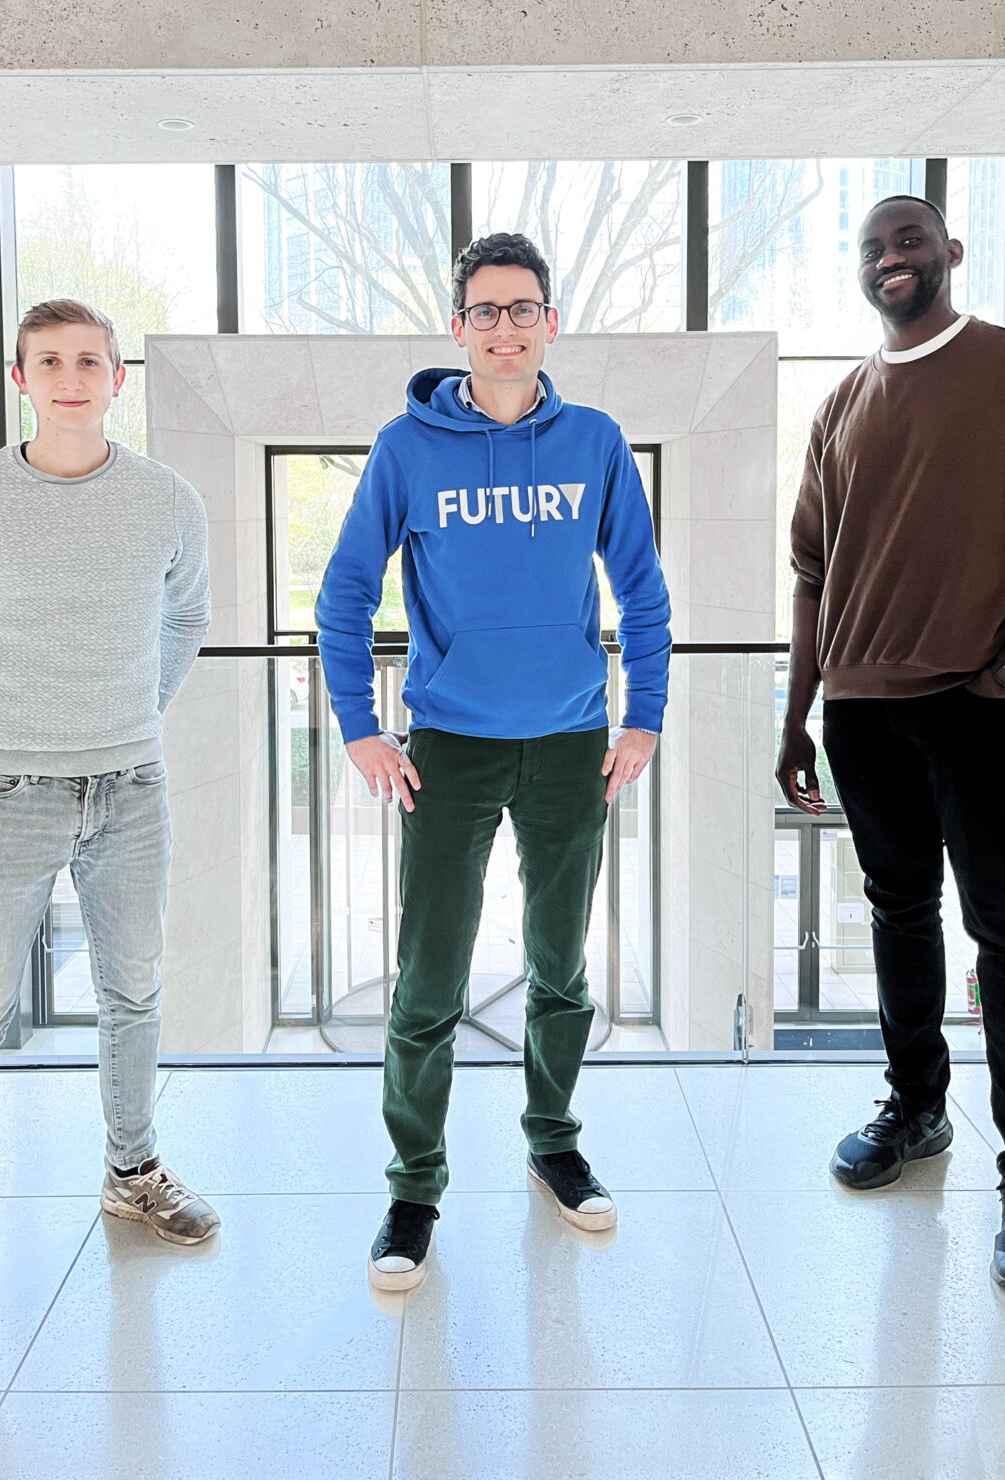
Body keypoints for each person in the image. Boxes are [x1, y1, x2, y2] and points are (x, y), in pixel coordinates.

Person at [778, 195, 1005, 1294]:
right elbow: (812, 573)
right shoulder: (842, 403)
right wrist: (797, 712)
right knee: (897, 913)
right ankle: (917, 1107)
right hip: (862, 712)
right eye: (873, 247)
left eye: (909, 239)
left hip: (983, 706)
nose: (891, 257)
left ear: (951, 252)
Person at [316, 230, 671, 1290]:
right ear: (459, 327)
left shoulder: (594, 441)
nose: (505, 327)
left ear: (550, 323)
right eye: (486, 310)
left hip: (571, 746)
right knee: (428, 978)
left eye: (523, 309)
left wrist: (643, 716)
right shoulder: (406, 448)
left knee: (562, 968)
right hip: (449, 750)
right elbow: (344, 594)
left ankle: (554, 1144)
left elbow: (643, 591)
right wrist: (359, 724)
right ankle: (414, 1187)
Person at [0, 298, 218, 1336]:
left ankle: (132, 1170)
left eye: (90, 361)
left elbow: (189, 616)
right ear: (21, 379)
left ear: (118, 379)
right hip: (5, 797)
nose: (72, 378)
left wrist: (139, 709)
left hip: (131, 790)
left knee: (134, 994)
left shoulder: (167, 499)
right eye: (50, 361)